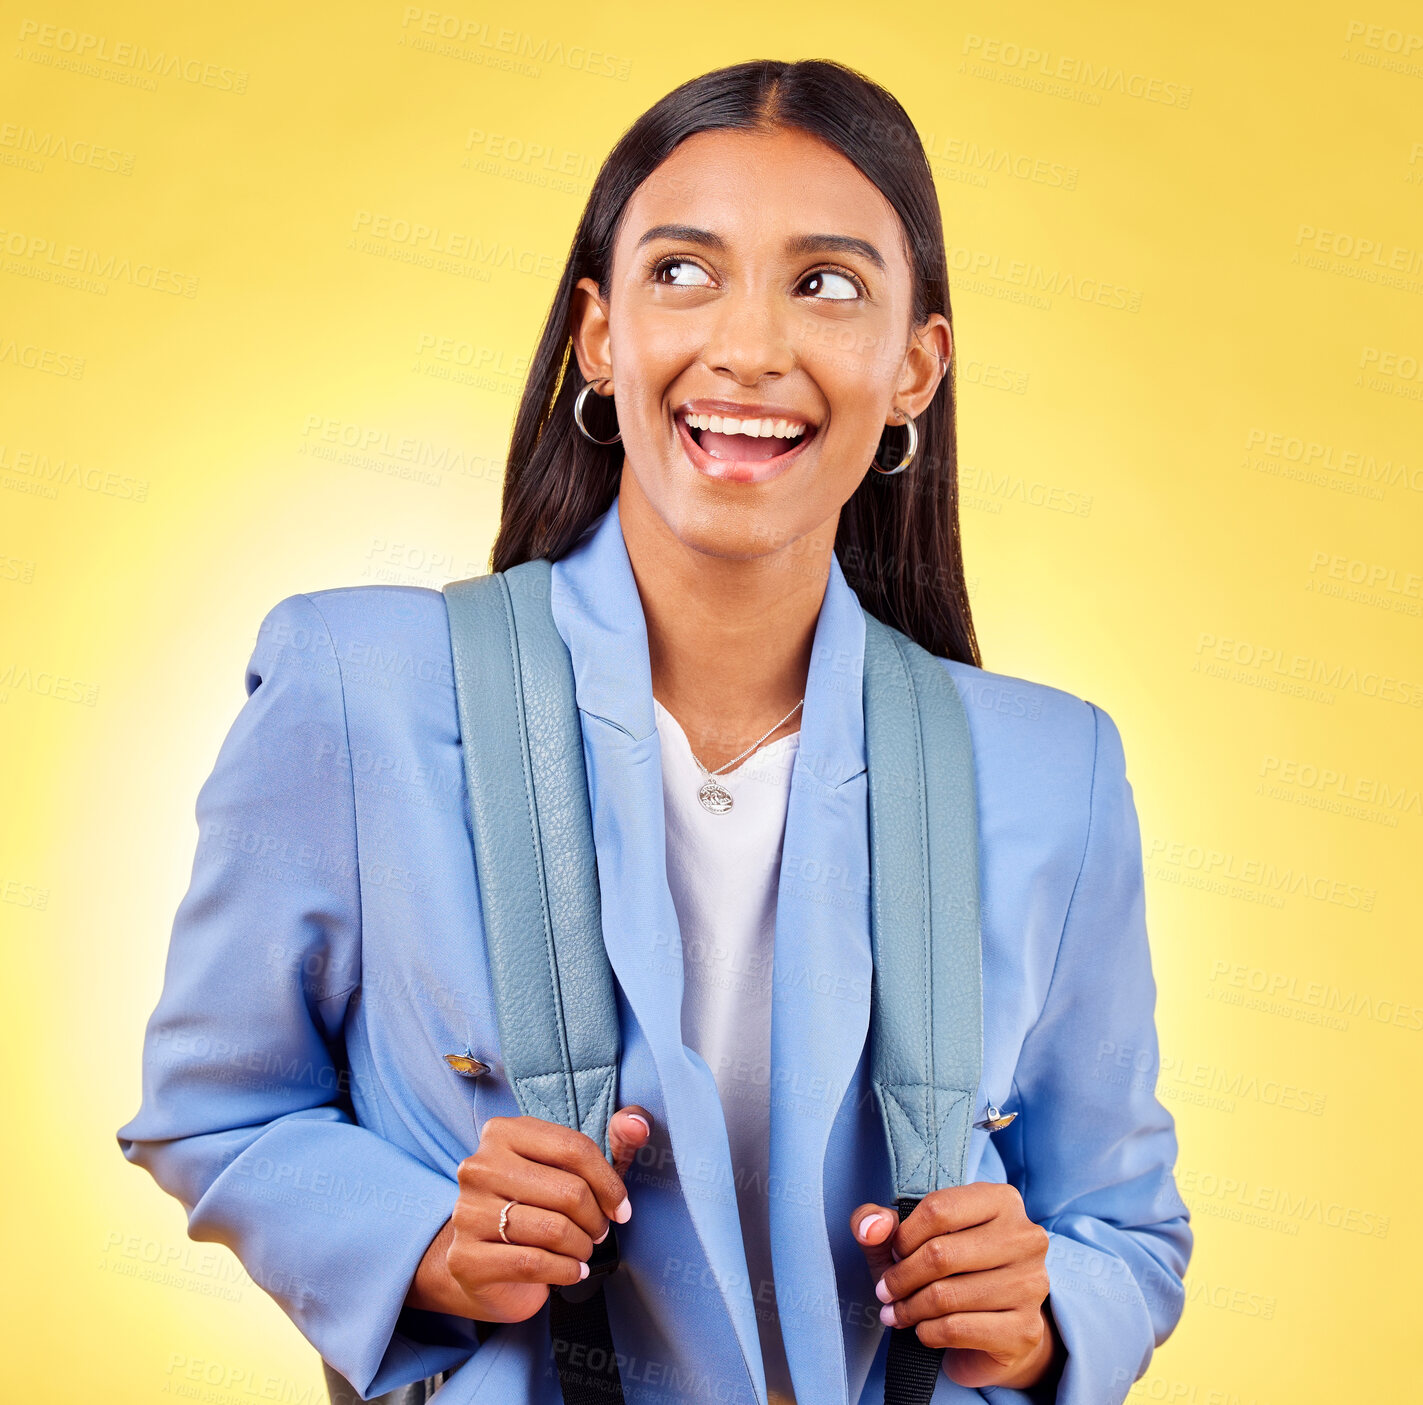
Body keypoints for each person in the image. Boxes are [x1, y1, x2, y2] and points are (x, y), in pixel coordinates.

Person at [116, 58, 1192, 1405]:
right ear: (599, 335)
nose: (749, 347)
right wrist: (428, 1244)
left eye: (828, 284)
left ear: (916, 365)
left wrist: (1037, 1317)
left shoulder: (1053, 769)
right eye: (685, 270)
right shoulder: (357, 684)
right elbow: (215, 1106)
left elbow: (1125, 1227)